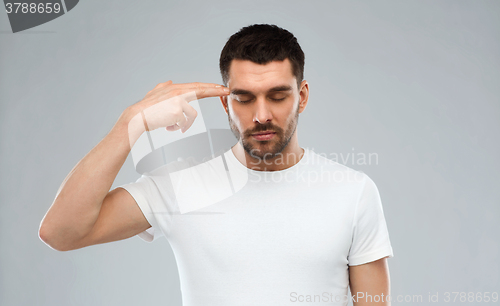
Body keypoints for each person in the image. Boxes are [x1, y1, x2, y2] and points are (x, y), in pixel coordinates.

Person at [39, 24, 394, 305]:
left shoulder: (352, 191)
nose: (261, 115)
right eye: (243, 98)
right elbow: (61, 232)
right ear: (225, 104)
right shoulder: (180, 184)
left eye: (277, 96)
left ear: (301, 96)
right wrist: (130, 123)